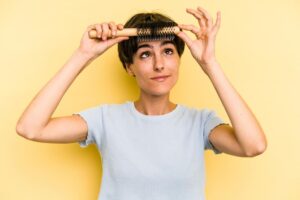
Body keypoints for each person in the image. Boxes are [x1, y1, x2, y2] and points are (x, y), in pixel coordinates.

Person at [16, 6, 267, 200]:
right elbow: (31, 128)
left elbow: (253, 145)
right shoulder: (105, 120)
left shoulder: (200, 123)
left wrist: (209, 64)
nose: (159, 64)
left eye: (168, 51)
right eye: (145, 54)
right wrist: (82, 55)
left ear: (179, 59)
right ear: (129, 67)